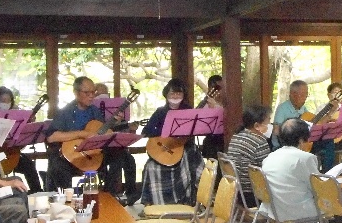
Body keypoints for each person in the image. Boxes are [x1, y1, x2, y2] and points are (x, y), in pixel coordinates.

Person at [45, 76, 129, 196]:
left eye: (93, 92)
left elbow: (100, 132)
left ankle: (109, 194)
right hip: (71, 157)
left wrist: (113, 123)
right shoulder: (65, 112)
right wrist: (82, 134)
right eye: (86, 93)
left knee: (120, 155)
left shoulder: (94, 111)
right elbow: (51, 137)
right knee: (57, 166)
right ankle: (68, 198)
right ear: (76, 93)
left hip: (92, 154)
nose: (91, 96)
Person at [141, 78, 204, 206]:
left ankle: (188, 198)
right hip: (164, 149)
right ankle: (152, 202)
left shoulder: (188, 110)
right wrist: (164, 133)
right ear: (166, 94)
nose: (175, 96)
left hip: (184, 147)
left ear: (183, 95)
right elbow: (146, 131)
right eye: (172, 93)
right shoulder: (160, 112)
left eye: (178, 93)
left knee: (191, 159)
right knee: (150, 167)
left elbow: (196, 127)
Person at [260, 118, 322, 223]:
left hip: (274, 209)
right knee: (340, 207)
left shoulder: (270, 156)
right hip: (296, 211)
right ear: (301, 140)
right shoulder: (305, 158)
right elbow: (318, 188)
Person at [225, 104, 273, 207]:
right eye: (268, 121)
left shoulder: (236, 136)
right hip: (252, 196)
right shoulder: (260, 142)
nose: (270, 124)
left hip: (235, 191)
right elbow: (268, 170)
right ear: (257, 126)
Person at [272, 80, 309, 148]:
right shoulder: (282, 108)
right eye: (302, 95)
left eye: (306, 94)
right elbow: (276, 131)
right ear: (292, 94)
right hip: (282, 146)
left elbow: (310, 124)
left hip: (299, 144)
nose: (305, 97)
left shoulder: (303, 108)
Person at [196, 74, 224, 159]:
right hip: (211, 141)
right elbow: (195, 116)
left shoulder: (229, 102)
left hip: (226, 138)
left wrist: (217, 107)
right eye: (217, 88)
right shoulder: (205, 102)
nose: (220, 91)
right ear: (210, 89)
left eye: (222, 88)